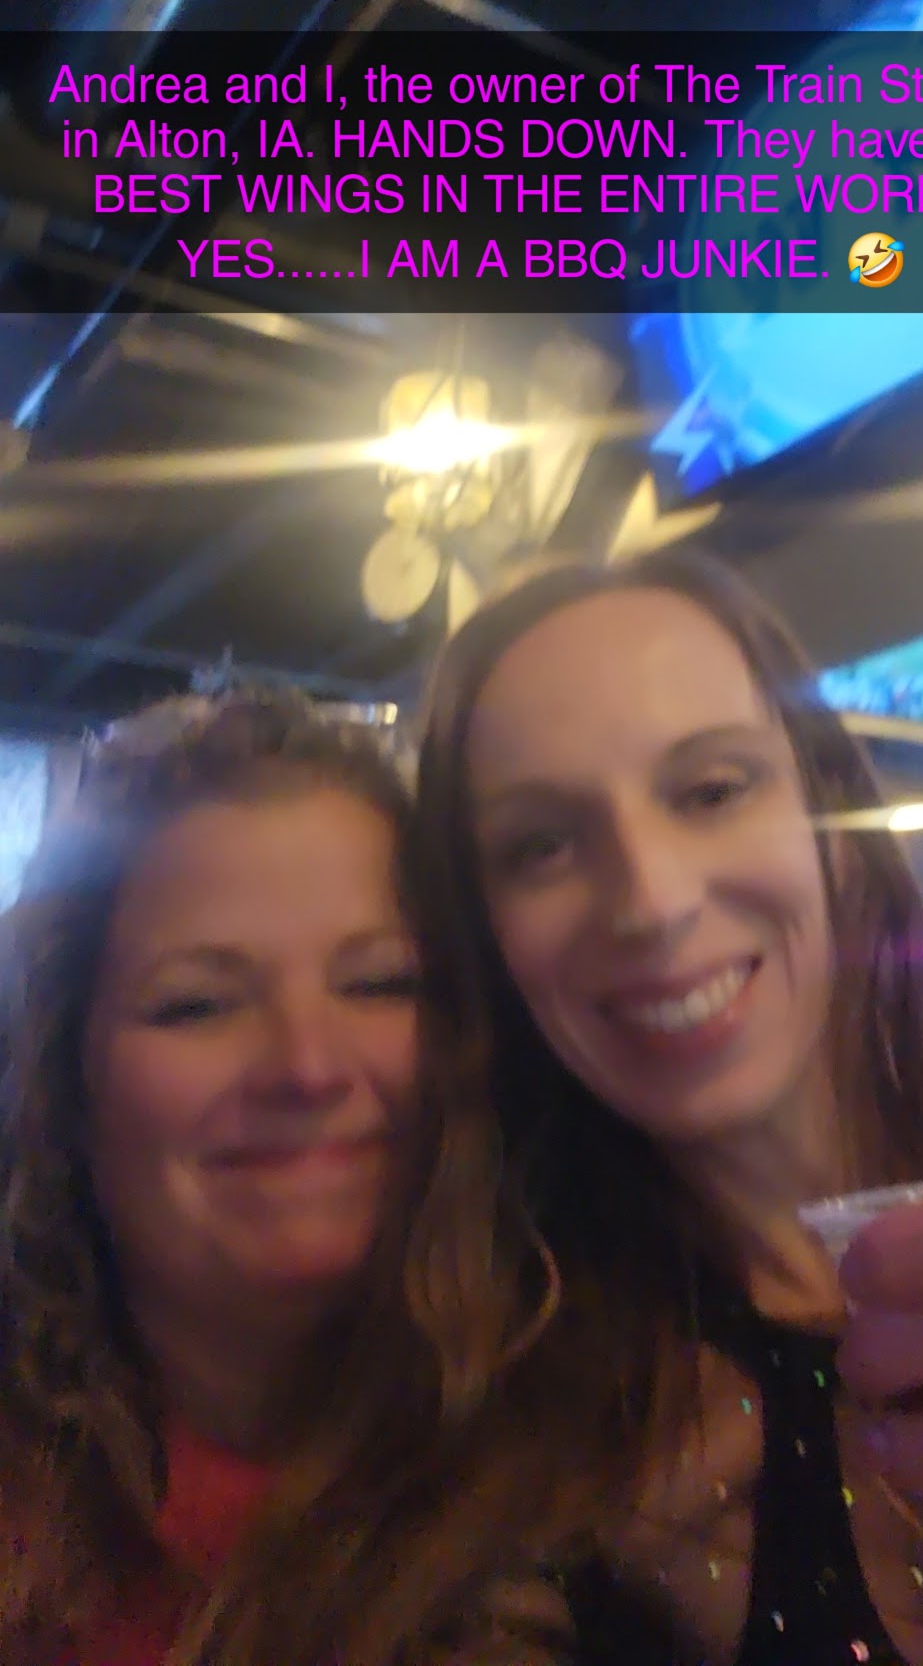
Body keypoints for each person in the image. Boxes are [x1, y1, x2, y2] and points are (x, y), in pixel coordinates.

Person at [413, 547, 923, 1666]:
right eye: (541, 845)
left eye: (713, 790)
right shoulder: (504, 1419)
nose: (653, 902)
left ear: (832, 829)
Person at [0, 689, 578, 1666]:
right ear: (64, 1079)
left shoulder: (618, 1472)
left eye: (380, 982)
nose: (307, 1068)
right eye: (197, 1004)